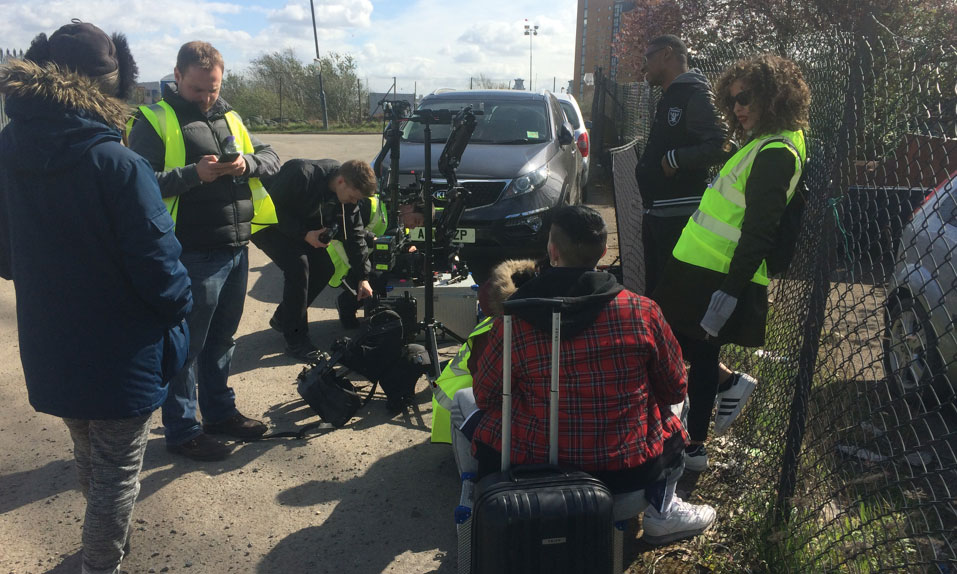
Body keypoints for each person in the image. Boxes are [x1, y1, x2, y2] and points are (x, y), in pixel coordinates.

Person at [0, 21, 193, 573]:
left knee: (88, 450)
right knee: (115, 472)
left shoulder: (6, 150)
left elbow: (5, 253)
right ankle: (100, 562)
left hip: (48, 338)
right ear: (111, 87)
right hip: (121, 347)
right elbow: (161, 269)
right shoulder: (117, 162)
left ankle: (100, 549)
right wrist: (178, 310)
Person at [470, 205, 716, 544]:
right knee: (678, 401)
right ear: (603, 252)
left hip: (533, 482)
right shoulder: (643, 311)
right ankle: (663, 509)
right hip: (629, 483)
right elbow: (674, 389)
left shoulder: (512, 322)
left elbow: (485, 396)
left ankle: (478, 509)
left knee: (465, 407)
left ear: (552, 251)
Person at [652, 54, 810, 472]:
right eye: (734, 98)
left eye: (748, 97)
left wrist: (730, 290)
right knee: (689, 350)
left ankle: (695, 446)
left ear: (775, 96)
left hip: (715, 274)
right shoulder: (765, 142)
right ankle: (726, 387)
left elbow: (760, 230)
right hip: (699, 268)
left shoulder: (775, 152)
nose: (738, 107)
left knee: (693, 353)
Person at [127, 41, 280, 460]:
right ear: (177, 77)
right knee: (186, 346)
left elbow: (272, 156)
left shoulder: (230, 115)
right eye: (197, 89)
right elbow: (139, 183)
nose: (206, 96)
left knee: (222, 340)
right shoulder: (154, 120)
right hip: (189, 250)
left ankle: (219, 413)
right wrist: (194, 174)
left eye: (213, 88)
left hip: (235, 245)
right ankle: (182, 430)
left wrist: (247, 164)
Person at [250, 158, 376, 358]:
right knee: (299, 267)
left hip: (300, 227)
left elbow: (355, 235)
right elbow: (270, 209)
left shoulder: (346, 197)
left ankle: (284, 318)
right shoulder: (301, 174)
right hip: (267, 225)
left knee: (325, 267)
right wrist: (304, 234)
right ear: (341, 181)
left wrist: (363, 277)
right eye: (353, 197)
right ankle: (297, 342)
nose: (354, 203)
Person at [635, 34, 727, 296]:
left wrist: (675, 159)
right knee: (655, 289)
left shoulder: (695, 94)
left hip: (678, 217)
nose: (644, 66)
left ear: (666, 54)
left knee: (671, 295)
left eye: (647, 58)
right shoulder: (670, 95)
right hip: (659, 212)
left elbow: (721, 143)